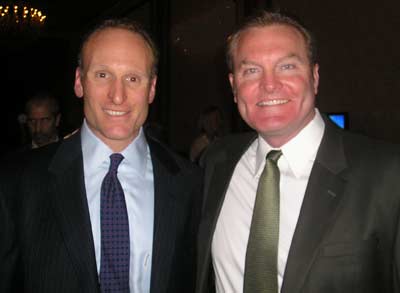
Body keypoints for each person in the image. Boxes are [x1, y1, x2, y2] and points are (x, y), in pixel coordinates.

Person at [196, 11, 400, 293]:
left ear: (314, 77)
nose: (269, 85)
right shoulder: (217, 161)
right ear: (234, 86)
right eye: (251, 70)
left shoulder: (388, 174)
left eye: (287, 66)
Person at [1, 18, 201, 293]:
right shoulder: (16, 181)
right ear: (79, 82)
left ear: (152, 89)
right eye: (103, 75)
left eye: (132, 78)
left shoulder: (190, 182)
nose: (117, 96)